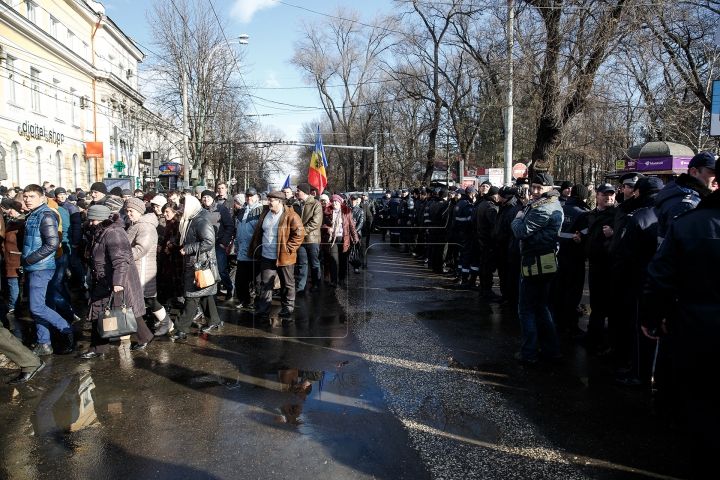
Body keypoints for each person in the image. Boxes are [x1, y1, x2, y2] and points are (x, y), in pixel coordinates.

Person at [641, 187, 720, 479]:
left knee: (704, 412)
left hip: (698, 332)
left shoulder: (689, 223)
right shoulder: (688, 221)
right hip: (696, 325)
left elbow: (660, 277)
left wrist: (651, 318)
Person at [79, 205, 152, 359]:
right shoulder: (103, 231)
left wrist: (118, 281)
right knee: (105, 311)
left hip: (114, 280)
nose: (91, 222)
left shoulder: (113, 233)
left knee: (125, 311)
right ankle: (99, 348)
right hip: (104, 279)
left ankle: (143, 338)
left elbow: (121, 261)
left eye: (93, 219)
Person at [510, 173, 563, 365]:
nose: (534, 191)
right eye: (533, 187)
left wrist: (517, 218)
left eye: (539, 188)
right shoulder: (549, 204)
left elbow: (520, 231)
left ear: (549, 189)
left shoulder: (543, 208)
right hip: (543, 260)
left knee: (527, 309)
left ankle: (529, 352)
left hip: (535, 262)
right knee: (540, 308)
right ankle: (550, 350)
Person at [21, 184, 76, 356]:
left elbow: (52, 243)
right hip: (35, 267)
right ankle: (44, 342)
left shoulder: (45, 215)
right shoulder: (33, 214)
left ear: (41, 197)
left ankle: (67, 329)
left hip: (41, 268)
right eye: (25, 196)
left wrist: (30, 259)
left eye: (31, 196)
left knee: (37, 307)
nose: (27, 200)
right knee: (41, 305)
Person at [170, 196, 223, 341]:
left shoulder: (201, 221)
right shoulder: (192, 219)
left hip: (199, 265)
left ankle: (181, 329)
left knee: (191, 296)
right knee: (204, 293)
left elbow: (209, 242)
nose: (181, 209)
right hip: (195, 263)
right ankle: (214, 320)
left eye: (183, 206)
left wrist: (188, 249)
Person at [247, 191, 304, 317]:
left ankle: (288, 307)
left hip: (284, 256)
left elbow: (299, 234)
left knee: (287, 283)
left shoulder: (291, 215)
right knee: (265, 283)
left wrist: (288, 248)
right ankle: (263, 309)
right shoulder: (265, 213)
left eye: (271, 200)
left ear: (279, 201)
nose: (269, 202)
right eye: (268, 200)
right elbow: (259, 231)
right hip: (267, 255)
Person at [125, 197, 169, 340]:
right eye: (127, 211)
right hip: (137, 267)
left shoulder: (145, 226)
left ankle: (166, 323)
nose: (128, 214)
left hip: (143, 268)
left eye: (131, 211)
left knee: (148, 299)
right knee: (144, 299)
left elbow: (141, 249)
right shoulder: (136, 224)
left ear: (139, 211)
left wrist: (120, 254)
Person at [654, 152, 716, 246]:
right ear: (694, 172)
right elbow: (685, 246)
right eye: (713, 172)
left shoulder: (693, 198)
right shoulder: (687, 205)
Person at [201, 190, 235, 299]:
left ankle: (230, 287)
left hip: (218, 245)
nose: (206, 200)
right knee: (209, 272)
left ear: (212, 198)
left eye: (208, 198)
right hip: (205, 246)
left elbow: (230, 226)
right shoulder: (200, 211)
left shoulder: (221, 209)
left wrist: (224, 243)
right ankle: (212, 298)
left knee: (221, 270)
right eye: (204, 198)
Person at [233, 187, 263, 308]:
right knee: (240, 279)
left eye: (251, 196)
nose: (249, 198)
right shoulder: (242, 210)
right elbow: (238, 229)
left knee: (256, 280)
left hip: (254, 252)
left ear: (256, 197)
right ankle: (244, 300)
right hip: (242, 251)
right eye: (247, 196)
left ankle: (258, 302)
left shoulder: (260, 211)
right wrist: (235, 244)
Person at [321, 194, 358, 287]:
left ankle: (341, 278)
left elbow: (351, 226)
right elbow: (322, 224)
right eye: (333, 201)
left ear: (340, 202)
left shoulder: (346, 211)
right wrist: (327, 228)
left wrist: (355, 238)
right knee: (333, 260)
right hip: (332, 239)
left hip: (344, 239)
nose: (334, 203)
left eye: (336, 201)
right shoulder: (327, 211)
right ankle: (333, 280)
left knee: (343, 260)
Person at [294, 183, 323, 293]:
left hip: (312, 239)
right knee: (302, 264)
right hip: (300, 240)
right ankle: (301, 288)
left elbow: (316, 223)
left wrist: (300, 232)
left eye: (298, 190)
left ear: (304, 191)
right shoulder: (295, 205)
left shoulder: (316, 204)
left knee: (314, 263)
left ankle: (316, 284)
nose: (296, 192)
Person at [161, 202, 185, 310]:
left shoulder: (178, 222)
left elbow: (180, 240)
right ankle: (173, 300)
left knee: (178, 280)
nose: (165, 214)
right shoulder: (169, 223)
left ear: (174, 212)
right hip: (170, 256)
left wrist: (170, 247)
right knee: (170, 280)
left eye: (167, 212)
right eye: (164, 212)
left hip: (178, 256)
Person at [349, 194, 365, 274]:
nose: (353, 201)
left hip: (356, 233)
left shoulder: (360, 210)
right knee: (346, 250)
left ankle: (356, 266)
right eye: (352, 199)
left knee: (356, 250)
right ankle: (347, 268)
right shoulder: (346, 209)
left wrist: (353, 232)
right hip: (347, 233)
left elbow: (361, 223)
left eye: (354, 200)